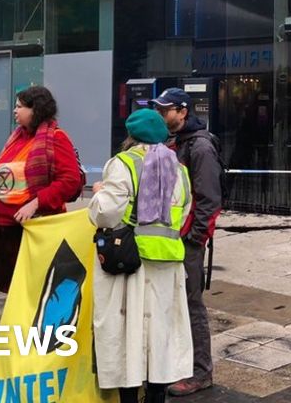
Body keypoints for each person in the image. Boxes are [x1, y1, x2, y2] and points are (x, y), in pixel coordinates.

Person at [88, 108, 193, 403]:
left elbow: (106, 213)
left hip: (130, 263)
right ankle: (158, 396)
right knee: (160, 335)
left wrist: (98, 192)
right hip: (168, 263)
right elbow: (183, 213)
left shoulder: (124, 164)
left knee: (126, 335)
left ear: (131, 136)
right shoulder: (179, 169)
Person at [151, 88, 222, 397]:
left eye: (165, 109)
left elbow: (209, 199)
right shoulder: (174, 142)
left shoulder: (200, 147)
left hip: (187, 241)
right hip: (172, 238)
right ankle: (180, 363)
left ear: (182, 111)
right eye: (158, 108)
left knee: (192, 305)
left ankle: (201, 372)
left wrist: (195, 240)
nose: (160, 114)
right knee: (173, 304)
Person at [0, 86, 81, 293]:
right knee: (14, 294)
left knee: (31, 292)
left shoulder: (56, 138)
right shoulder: (18, 137)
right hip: (7, 229)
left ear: (35, 109)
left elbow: (70, 180)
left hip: (33, 229)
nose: (15, 111)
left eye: (20, 106)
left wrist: (36, 203)